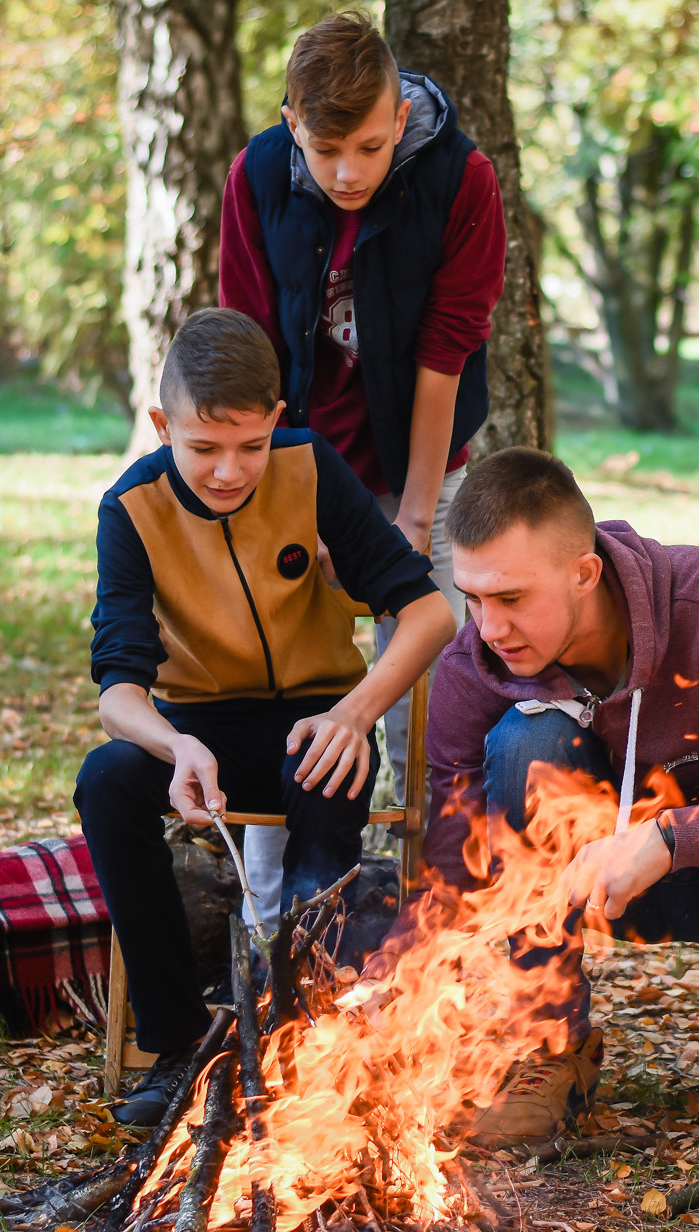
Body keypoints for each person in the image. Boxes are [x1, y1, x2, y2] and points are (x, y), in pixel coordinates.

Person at [365, 448, 699, 1146]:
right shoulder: (478, 662)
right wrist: (406, 972)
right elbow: (454, 845)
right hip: (571, 884)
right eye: (473, 596)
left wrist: (670, 837)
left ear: (584, 573)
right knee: (526, 742)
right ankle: (548, 1048)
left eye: (512, 598)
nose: (489, 627)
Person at [75, 308, 457, 1127]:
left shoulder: (310, 467)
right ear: (161, 425)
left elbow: (428, 613)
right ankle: (176, 1037)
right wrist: (172, 744)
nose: (228, 471)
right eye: (203, 448)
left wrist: (355, 714)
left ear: (278, 421)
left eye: (250, 446)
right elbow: (117, 691)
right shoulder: (130, 509)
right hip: (199, 730)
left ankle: (303, 1030)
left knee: (327, 766)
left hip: (317, 716)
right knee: (107, 780)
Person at [218, 11, 507, 919]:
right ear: (292, 123)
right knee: (277, 701)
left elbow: (444, 351)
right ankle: (272, 930)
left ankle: (440, 928)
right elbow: (250, 347)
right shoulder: (259, 174)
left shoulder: (461, 180)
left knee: (430, 710)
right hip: (291, 468)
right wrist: (273, 500)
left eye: (372, 147)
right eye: (328, 149)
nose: (349, 173)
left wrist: (411, 522)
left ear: (399, 113)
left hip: (421, 464)